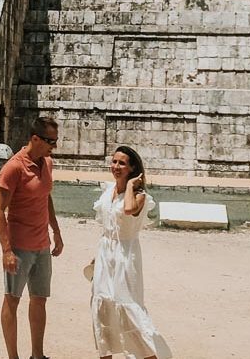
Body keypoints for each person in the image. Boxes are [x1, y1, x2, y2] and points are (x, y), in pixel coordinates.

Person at [90, 146, 172, 359]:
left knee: (128, 307)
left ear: (132, 168)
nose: (116, 166)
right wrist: (97, 257)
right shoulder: (108, 191)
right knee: (101, 305)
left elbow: (128, 209)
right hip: (105, 254)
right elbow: (107, 226)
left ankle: (150, 355)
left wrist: (129, 185)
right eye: (114, 162)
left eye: (122, 163)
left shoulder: (140, 196)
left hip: (126, 255)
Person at [0, 116, 64, 359]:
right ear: (35, 138)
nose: (53, 146)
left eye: (55, 141)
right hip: (20, 246)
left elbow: (46, 198)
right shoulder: (14, 167)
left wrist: (56, 231)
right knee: (12, 300)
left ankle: (37, 355)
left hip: (42, 245)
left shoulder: (48, 163)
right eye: (49, 141)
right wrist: (6, 250)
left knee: (39, 300)